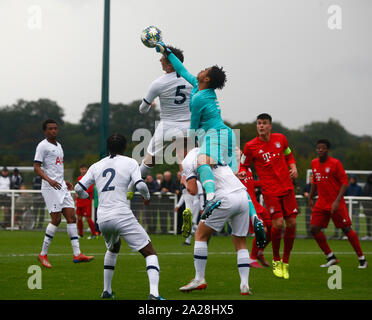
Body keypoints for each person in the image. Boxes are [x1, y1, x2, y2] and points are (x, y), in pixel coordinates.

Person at [74, 133, 164, 300]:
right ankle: (154, 293)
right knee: (150, 252)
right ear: (125, 148)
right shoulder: (130, 162)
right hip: (121, 214)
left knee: (113, 247)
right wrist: (147, 197)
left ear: (108, 148)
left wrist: (88, 197)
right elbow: (140, 185)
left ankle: (107, 291)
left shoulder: (96, 166)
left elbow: (78, 189)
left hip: (103, 218)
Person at [155, 42, 237, 219]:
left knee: (202, 163)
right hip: (224, 134)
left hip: (217, 136)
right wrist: (166, 51)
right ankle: (252, 215)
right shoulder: (198, 86)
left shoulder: (200, 97)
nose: (202, 69)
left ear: (207, 79)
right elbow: (182, 70)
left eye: (205, 69)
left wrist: (187, 148)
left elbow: (193, 127)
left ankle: (211, 199)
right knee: (233, 180)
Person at [179, 147, 264, 295]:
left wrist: (184, 181)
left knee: (200, 235)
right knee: (240, 242)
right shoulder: (216, 151)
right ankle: (244, 285)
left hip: (223, 197)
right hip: (243, 196)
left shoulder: (188, 159)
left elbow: (192, 190)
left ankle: (199, 278)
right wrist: (254, 215)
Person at [127, 46, 192, 199]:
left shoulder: (158, 83)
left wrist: (149, 105)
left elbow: (142, 109)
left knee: (149, 161)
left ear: (171, 64)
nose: (160, 60)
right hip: (188, 127)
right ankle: (189, 199)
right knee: (186, 164)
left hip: (167, 126)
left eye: (163, 59)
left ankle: (130, 188)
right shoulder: (192, 80)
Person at [239, 113, 298, 279]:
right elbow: (243, 165)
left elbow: (289, 155)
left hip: (287, 187)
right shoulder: (250, 146)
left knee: (292, 223)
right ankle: (276, 259)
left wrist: (293, 167)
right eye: (259, 123)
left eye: (264, 123)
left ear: (270, 126)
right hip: (270, 191)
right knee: (278, 224)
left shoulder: (281, 139)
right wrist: (242, 174)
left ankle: (285, 261)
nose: (261, 126)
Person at [34, 119, 94, 268]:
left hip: (61, 186)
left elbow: (57, 168)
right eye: (50, 129)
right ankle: (43, 254)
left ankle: (77, 254)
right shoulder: (42, 146)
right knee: (56, 219)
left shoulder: (59, 146)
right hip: (50, 187)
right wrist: (49, 180)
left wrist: (65, 181)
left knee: (71, 217)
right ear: (45, 131)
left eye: (55, 128)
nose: (53, 131)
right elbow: (36, 167)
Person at [308, 139, 368, 268]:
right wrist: (311, 197)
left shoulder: (335, 163)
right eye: (318, 148)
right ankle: (331, 257)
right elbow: (315, 181)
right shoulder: (314, 163)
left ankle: (362, 259)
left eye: (322, 148)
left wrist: (337, 201)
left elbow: (344, 182)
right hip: (321, 202)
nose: (320, 150)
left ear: (327, 150)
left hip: (336, 203)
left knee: (346, 229)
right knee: (314, 228)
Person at [237, 150, 271, 268]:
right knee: (262, 230)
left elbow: (251, 184)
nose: (241, 152)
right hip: (247, 206)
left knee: (274, 227)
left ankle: (259, 252)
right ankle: (251, 259)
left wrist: (265, 182)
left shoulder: (248, 169)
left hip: (256, 204)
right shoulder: (233, 171)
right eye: (238, 151)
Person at [76, 164, 98, 239]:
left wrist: (79, 193)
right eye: (82, 169)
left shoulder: (89, 179)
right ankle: (80, 234)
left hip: (86, 202)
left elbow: (89, 190)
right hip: (79, 202)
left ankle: (94, 233)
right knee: (79, 218)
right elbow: (77, 189)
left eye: (85, 169)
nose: (83, 171)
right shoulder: (79, 178)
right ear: (80, 170)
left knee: (88, 218)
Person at [302, 174, 316, 238]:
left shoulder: (317, 185)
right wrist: (304, 193)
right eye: (310, 179)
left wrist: (310, 194)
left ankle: (316, 234)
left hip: (315, 206)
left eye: (312, 179)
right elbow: (302, 192)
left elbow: (318, 193)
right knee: (307, 219)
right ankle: (308, 234)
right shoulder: (306, 186)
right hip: (308, 206)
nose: (311, 180)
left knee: (316, 220)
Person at [361, 174, 372, 240]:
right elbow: (363, 196)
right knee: (368, 221)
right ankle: (368, 234)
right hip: (367, 207)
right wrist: (365, 206)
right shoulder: (366, 186)